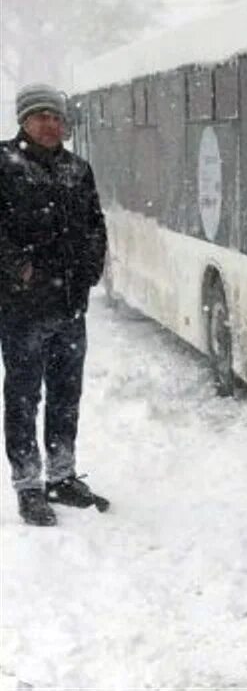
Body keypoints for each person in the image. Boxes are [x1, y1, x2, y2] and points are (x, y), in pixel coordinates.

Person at [0, 83, 109, 525]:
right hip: (22, 308)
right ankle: (28, 485)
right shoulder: (4, 165)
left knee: (67, 395)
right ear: (24, 120)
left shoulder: (77, 170)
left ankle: (62, 476)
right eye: (41, 116)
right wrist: (20, 270)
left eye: (56, 117)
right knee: (24, 397)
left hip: (69, 306)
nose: (50, 124)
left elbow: (95, 224)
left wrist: (89, 271)